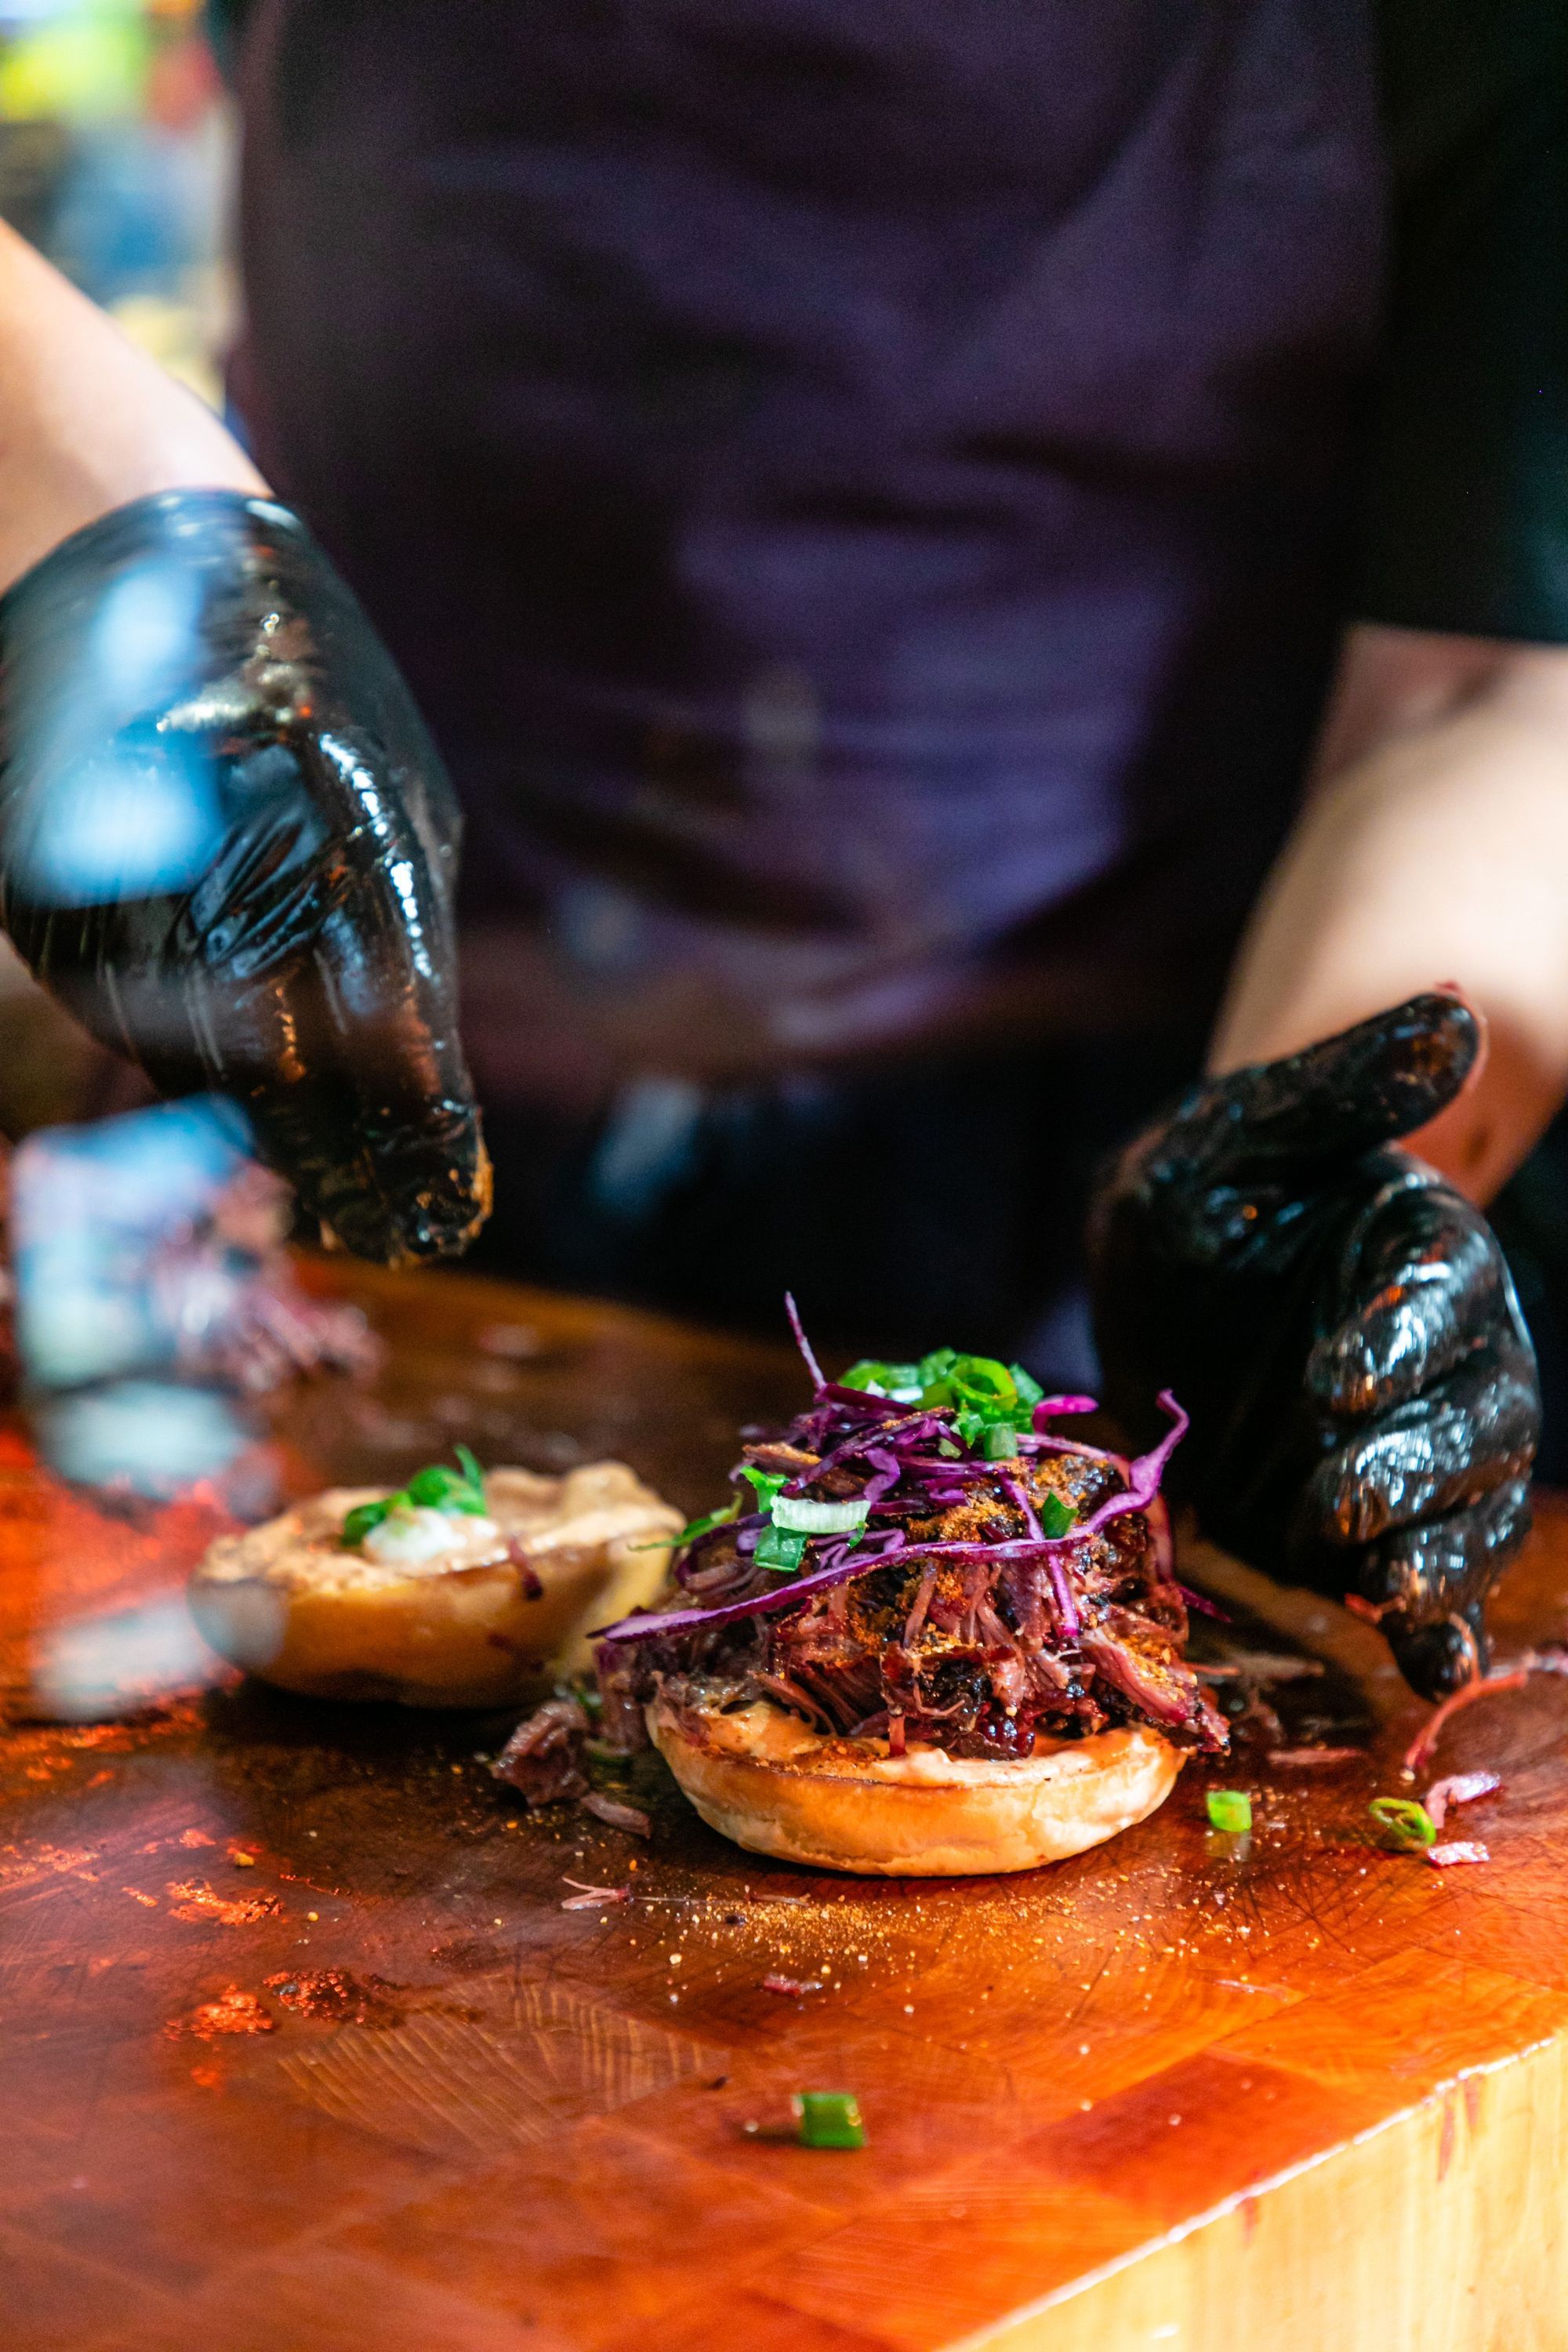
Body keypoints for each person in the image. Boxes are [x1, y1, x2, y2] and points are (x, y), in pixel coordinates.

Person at [0, 0, 1560, 1695]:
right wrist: (91, 518)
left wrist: (1300, 1188)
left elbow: (1480, 678)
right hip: (296, 1090)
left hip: (1070, 1195)